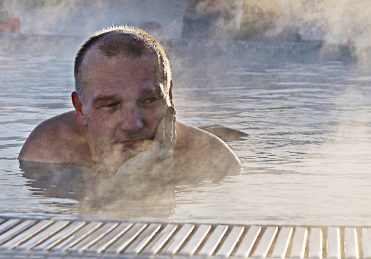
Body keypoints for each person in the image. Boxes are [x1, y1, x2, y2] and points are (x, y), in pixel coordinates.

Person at [19, 26, 240, 199]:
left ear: (169, 97)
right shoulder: (49, 150)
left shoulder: (212, 159)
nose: (133, 124)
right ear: (80, 109)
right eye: (110, 106)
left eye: (149, 100)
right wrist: (129, 181)